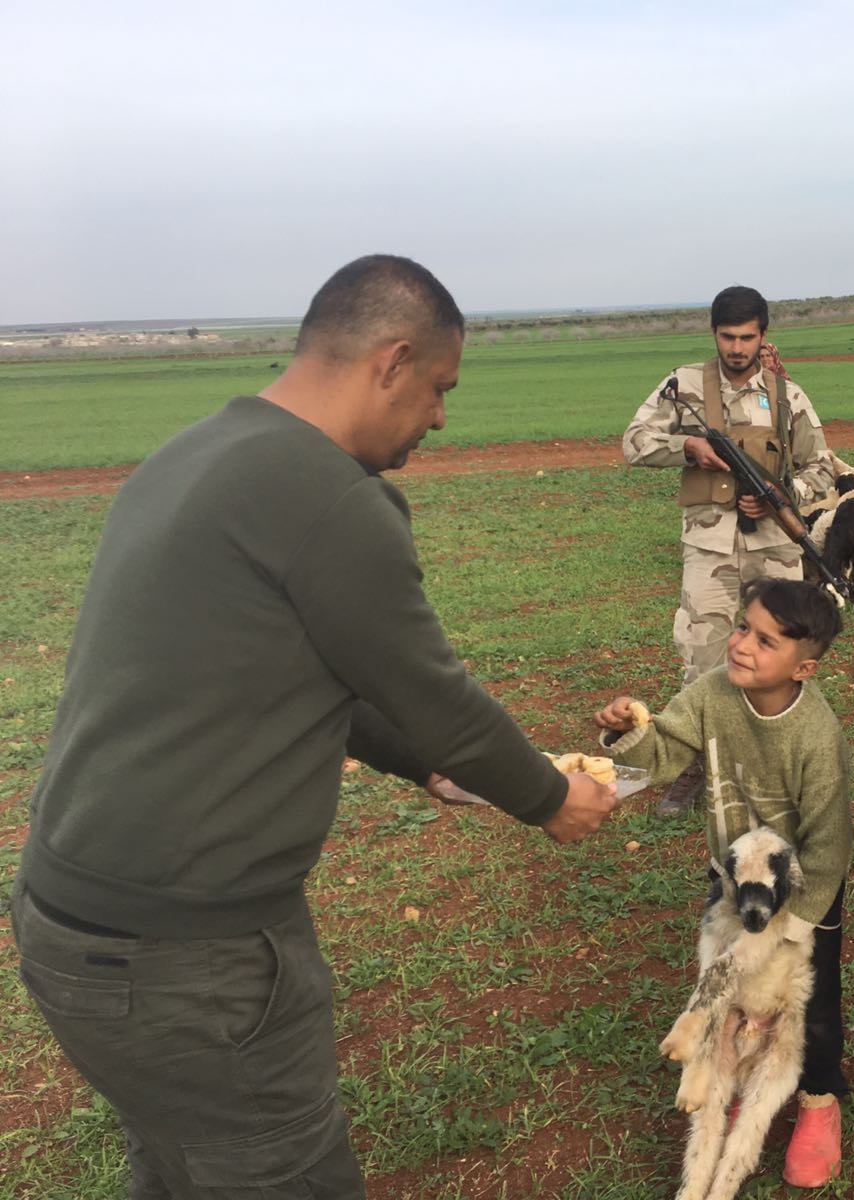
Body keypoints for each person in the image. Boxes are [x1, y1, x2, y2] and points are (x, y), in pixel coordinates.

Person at [10, 255, 620, 1199]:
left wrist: (429, 767)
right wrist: (551, 799)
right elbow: (436, 696)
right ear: (393, 360)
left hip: (75, 929)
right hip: (188, 959)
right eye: (438, 390)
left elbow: (299, 675)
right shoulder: (333, 496)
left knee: (178, 1171)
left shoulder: (197, 451)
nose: (440, 418)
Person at [595, 578, 853, 1188]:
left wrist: (790, 927)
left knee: (808, 1003)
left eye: (766, 640)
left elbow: (830, 843)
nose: (741, 645)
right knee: (724, 979)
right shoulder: (711, 694)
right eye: (742, 627)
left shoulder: (818, 736)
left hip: (804, 894)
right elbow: (658, 753)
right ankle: (725, 1070)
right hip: (735, 881)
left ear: (805, 667)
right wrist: (625, 730)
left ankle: (818, 1100)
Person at [623, 286, 837, 816]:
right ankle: (696, 763)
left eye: (747, 337)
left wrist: (789, 497)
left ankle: (780, 759)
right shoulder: (685, 385)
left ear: (764, 336)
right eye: (727, 336)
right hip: (709, 547)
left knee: (784, 655)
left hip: (774, 548)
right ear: (713, 333)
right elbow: (633, 442)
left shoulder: (788, 396)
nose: (737, 347)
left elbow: (823, 468)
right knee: (704, 655)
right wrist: (686, 447)